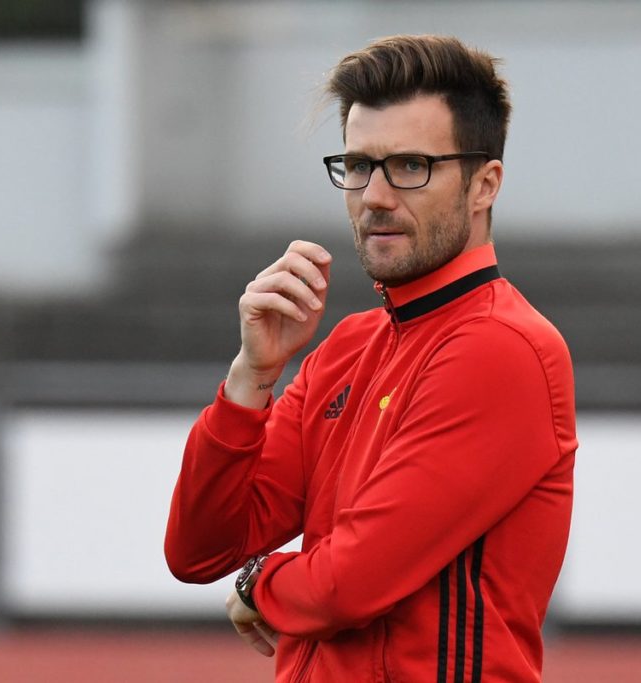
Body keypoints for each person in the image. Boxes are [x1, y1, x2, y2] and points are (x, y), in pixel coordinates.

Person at [165, 34, 577, 683]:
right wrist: (251, 379)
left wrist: (259, 581)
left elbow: (350, 584)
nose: (375, 196)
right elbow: (198, 549)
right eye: (359, 165)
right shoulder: (348, 346)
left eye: (410, 165)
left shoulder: (503, 348)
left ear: (484, 185)